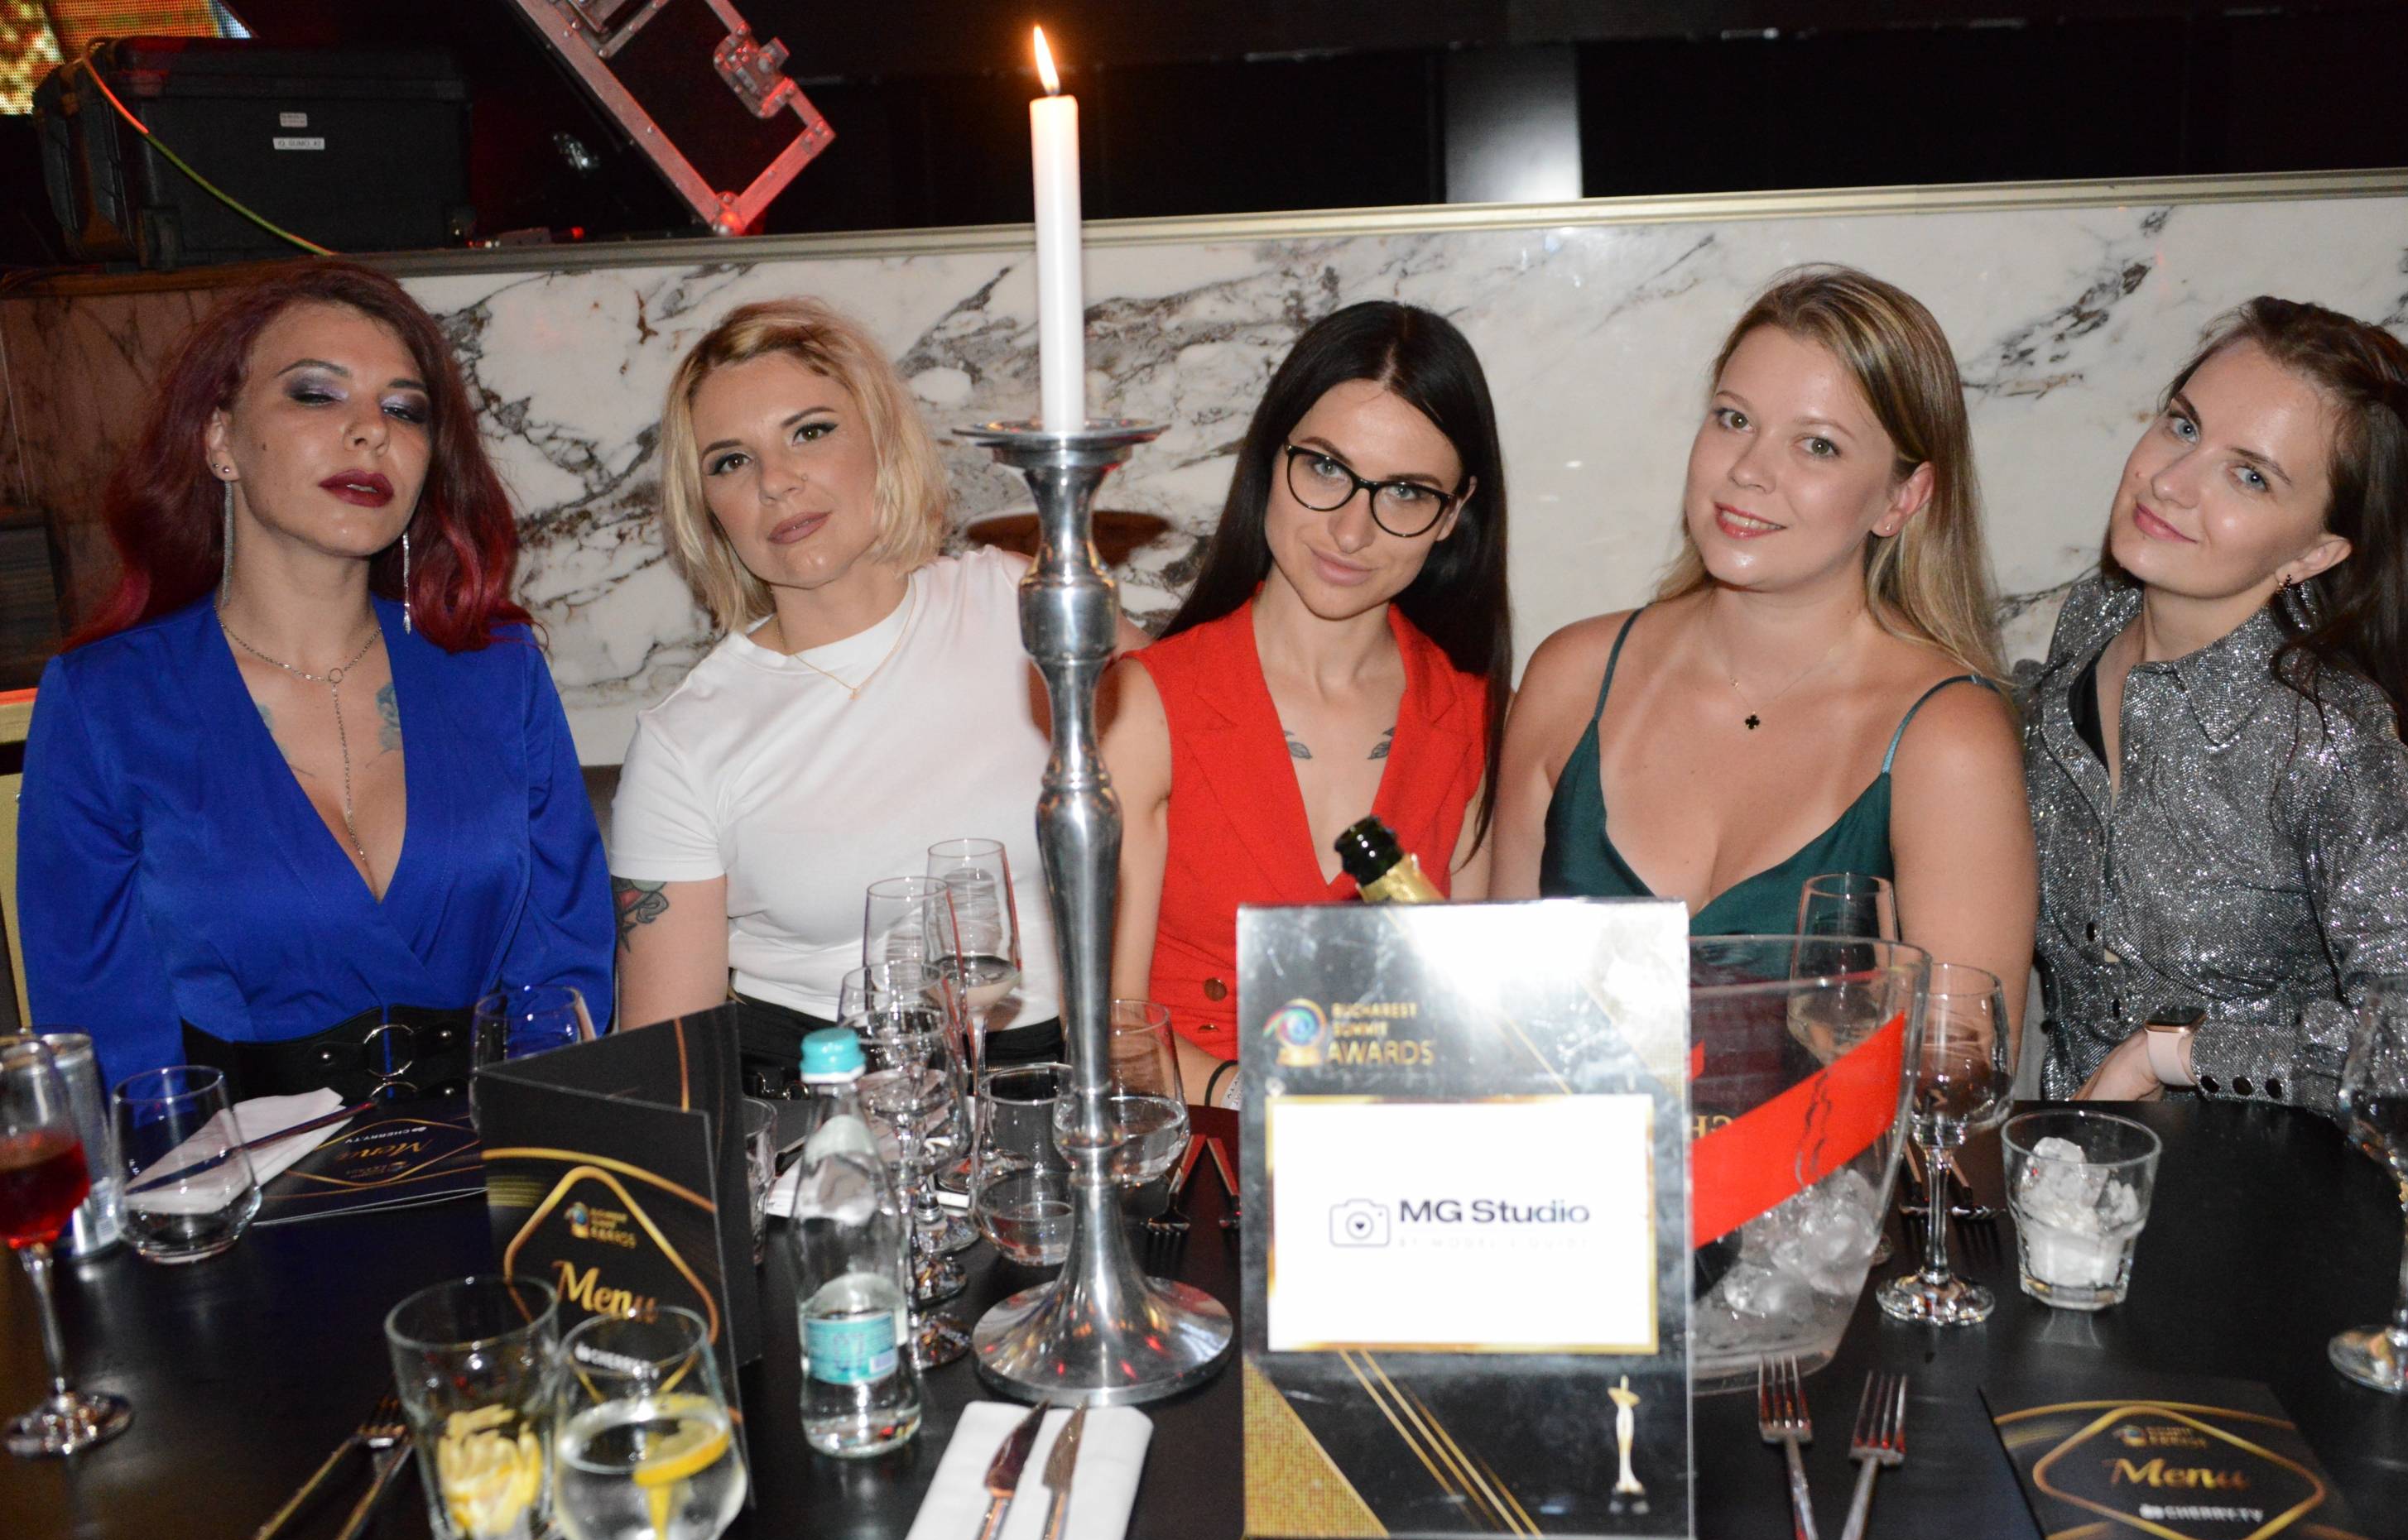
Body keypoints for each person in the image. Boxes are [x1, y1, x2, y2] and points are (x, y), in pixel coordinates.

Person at [20, 261, 613, 1100]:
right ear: (219, 439)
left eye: (404, 410)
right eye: (315, 394)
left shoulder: (498, 670)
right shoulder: (105, 705)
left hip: (497, 1151)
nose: (370, 431)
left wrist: (544, 1152)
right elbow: (105, 1044)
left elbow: (564, 967)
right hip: (233, 1168)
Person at [1493, 265, 2035, 1034]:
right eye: (1734, 419)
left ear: (1901, 498)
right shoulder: (1571, 677)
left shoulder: (1949, 740)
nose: (1748, 470)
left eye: (1817, 445)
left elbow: (1960, 1071)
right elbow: (1497, 1022)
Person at [608, 297, 1108, 1075]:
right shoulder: (685, 740)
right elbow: (663, 1070)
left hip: (1055, 1080)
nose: (776, 482)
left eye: (810, 432)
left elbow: (1192, 755)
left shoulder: (1018, 603)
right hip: (821, 1101)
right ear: (706, 508)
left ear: (882, 438)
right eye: (731, 461)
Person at [2022, 296, 2408, 1104]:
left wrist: (2176, 1053)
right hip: (2072, 1162)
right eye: (2183, 425)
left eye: (2249, 475)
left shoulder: (2326, 737)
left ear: (2316, 551)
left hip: (2260, 1171)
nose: (2169, 482)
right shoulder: (2094, 616)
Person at [1104, 300, 1509, 1108]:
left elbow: (1470, 1019)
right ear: (1271, 456)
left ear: (1454, 514)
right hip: (1193, 1148)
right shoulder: (1149, 702)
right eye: (1325, 468)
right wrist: (1263, 1105)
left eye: (1406, 492)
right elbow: (1110, 1028)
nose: (1353, 531)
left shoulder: (1475, 717)